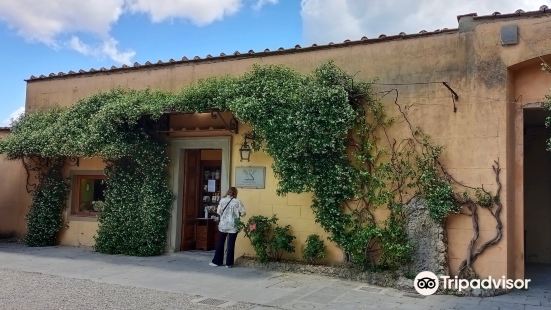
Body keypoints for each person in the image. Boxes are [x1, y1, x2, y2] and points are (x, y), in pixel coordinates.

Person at [210, 187, 246, 268]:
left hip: (223, 225)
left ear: (228, 192)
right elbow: (243, 213)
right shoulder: (238, 202)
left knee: (220, 243)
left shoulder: (222, 200)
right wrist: (237, 215)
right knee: (231, 245)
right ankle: (229, 264)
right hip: (233, 226)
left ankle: (217, 262)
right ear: (235, 193)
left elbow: (219, 212)